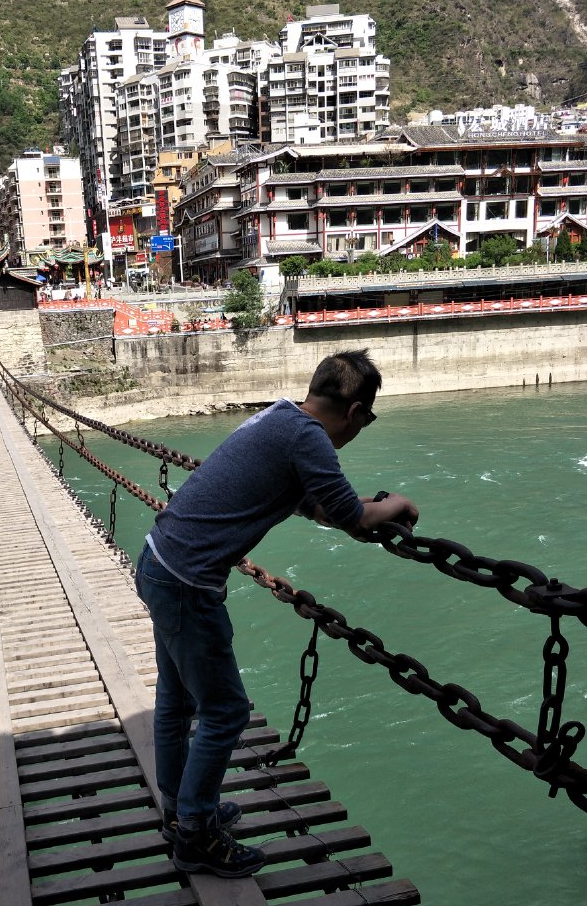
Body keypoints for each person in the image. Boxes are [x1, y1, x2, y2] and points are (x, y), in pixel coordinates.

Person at [134, 350, 419, 878]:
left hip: (159, 560)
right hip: (187, 584)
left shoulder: (279, 415)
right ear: (356, 411)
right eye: (368, 419)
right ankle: (195, 835)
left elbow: (318, 505)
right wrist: (396, 505)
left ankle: (181, 811)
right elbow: (354, 519)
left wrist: (352, 508)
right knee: (225, 712)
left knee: (176, 703)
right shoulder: (308, 438)